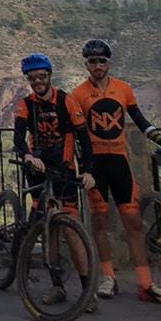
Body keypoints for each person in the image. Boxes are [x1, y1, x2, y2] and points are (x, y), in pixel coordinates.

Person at [66, 39, 161, 305]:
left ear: (109, 63)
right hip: (96, 166)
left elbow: (140, 121)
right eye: (92, 61)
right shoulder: (78, 94)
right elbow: (77, 134)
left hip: (119, 161)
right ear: (86, 64)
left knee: (133, 222)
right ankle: (108, 277)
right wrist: (82, 168)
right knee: (100, 221)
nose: (97, 66)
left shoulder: (123, 89)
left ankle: (146, 284)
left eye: (102, 61)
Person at [13, 53, 97, 308]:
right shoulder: (26, 104)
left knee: (71, 228)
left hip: (63, 169)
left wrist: (88, 170)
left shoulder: (66, 101)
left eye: (42, 76)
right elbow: (18, 137)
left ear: (49, 76)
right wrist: (26, 154)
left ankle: (87, 290)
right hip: (37, 167)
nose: (37, 81)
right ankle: (57, 286)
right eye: (32, 78)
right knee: (50, 226)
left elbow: (84, 139)